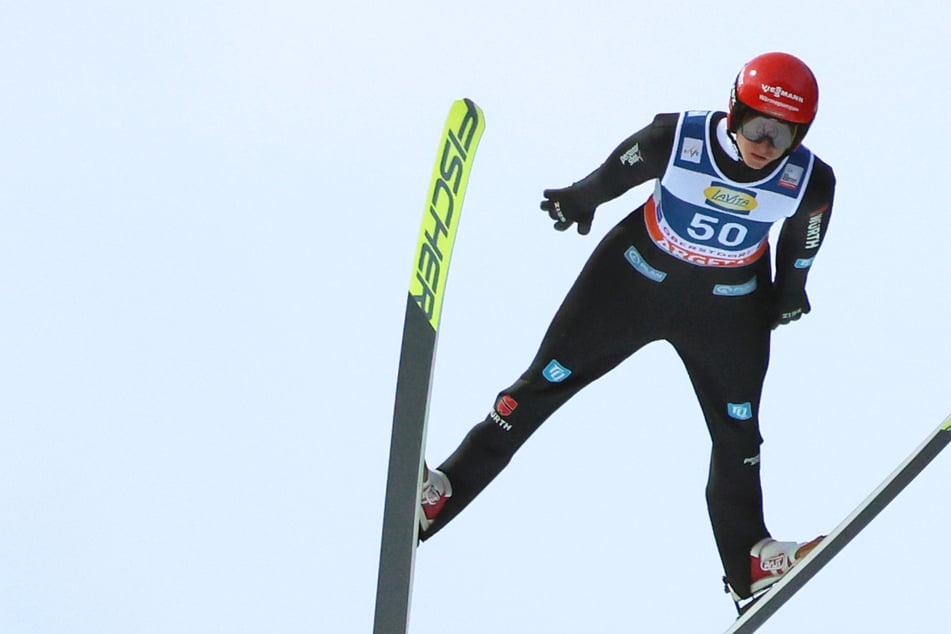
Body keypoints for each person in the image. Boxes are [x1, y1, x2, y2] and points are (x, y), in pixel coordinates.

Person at [418, 52, 835, 605]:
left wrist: (791, 291)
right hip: (633, 281)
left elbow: (803, 240)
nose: (766, 145)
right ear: (734, 111)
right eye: (758, 126)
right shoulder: (677, 138)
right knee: (542, 383)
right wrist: (580, 198)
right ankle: (439, 496)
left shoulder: (811, 179)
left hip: (728, 309)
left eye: (783, 137)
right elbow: (618, 170)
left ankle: (748, 562)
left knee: (739, 434)